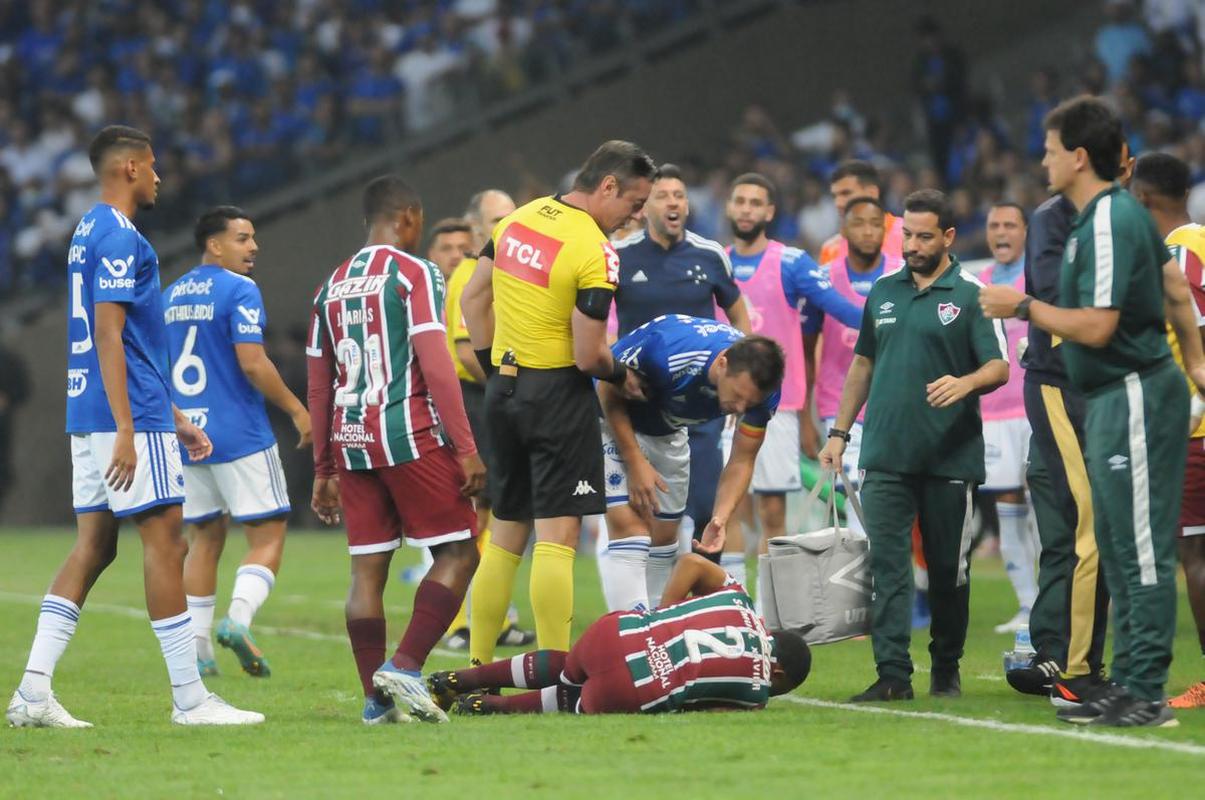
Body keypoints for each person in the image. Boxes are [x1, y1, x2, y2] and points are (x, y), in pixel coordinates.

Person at [7, 126, 263, 727]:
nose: (158, 178)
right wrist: (131, 424)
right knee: (168, 540)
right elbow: (109, 333)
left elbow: (128, 341)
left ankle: (33, 692)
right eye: (151, 167)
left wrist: (172, 417)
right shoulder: (121, 238)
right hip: (124, 414)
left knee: (94, 546)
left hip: (91, 410)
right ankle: (190, 699)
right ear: (128, 168)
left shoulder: (85, 231)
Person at [981, 96, 1205, 728]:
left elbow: (1100, 327)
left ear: (1078, 157)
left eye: (1050, 149)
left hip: (1127, 390)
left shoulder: (1106, 221)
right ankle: (1127, 684)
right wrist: (1194, 364)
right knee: (1116, 540)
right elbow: (1175, 289)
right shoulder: (1100, 219)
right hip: (1114, 394)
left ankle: (1142, 690)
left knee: (1136, 547)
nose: (1043, 160)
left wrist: (1021, 308)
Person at [459, 141, 655, 668]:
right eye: (634, 204)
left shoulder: (518, 221)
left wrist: (494, 364)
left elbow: (472, 301)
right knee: (558, 536)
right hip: (557, 396)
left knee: (504, 535)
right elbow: (589, 355)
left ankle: (479, 665)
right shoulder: (595, 251)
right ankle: (553, 671)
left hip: (503, 391)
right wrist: (623, 372)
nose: (636, 217)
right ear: (608, 186)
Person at [307, 174, 485, 724]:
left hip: (352, 440)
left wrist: (323, 466)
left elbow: (319, 383)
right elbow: (436, 363)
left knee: (367, 572)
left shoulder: (330, 285)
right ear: (407, 216)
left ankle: (374, 702)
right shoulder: (415, 273)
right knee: (460, 553)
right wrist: (466, 447)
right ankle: (404, 668)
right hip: (408, 435)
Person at [820, 189, 1009, 703]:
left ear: (948, 236)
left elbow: (1000, 366)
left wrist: (966, 383)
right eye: (906, 233)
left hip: (949, 454)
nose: (912, 244)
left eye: (924, 235)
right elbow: (863, 363)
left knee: (948, 570)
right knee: (887, 565)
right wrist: (839, 433)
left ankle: (946, 664)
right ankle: (892, 675)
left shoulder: (972, 292)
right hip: (884, 451)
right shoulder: (882, 291)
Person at [165, 206, 312, 679]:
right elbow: (252, 362)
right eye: (243, 238)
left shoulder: (169, 296)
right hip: (238, 433)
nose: (253, 248)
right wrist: (296, 409)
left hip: (187, 433)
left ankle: (199, 648)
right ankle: (238, 620)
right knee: (268, 535)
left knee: (203, 537)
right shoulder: (239, 289)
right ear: (214, 244)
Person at [427, 554, 811, 715]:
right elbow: (707, 708)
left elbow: (691, 562)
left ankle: (459, 679)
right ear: (777, 674)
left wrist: (662, 614)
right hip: (631, 687)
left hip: (614, 631)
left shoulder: (739, 599)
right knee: (578, 697)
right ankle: (486, 707)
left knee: (568, 666)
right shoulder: (757, 696)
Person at [610, 164, 751, 575]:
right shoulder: (619, 257)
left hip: (701, 401)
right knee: (648, 513)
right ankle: (652, 606)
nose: (673, 202)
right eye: (663, 195)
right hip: (641, 401)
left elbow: (737, 310)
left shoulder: (710, 255)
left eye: (680, 195)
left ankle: (707, 598)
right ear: (643, 207)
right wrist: (608, 365)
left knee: (708, 504)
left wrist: (743, 370)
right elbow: (594, 318)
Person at [599, 314, 785, 612]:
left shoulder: (763, 393)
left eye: (748, 404)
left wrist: (720, 517)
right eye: (737, 396)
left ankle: (654, 631)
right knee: (631, 530)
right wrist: (634, 461)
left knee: (664, 538)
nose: (739, 409)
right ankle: (626, 635)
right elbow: (606, 388)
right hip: (609, 419)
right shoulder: (670, 352)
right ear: (722, 364)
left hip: (668, 431)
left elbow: (742, 458)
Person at [725, 173, 862, 552]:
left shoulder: (791, 262)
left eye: (756, 203)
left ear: (769, 211)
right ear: (729, 206)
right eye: (740, 201)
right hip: (720, 405)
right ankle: (735, 605)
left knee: (772, 511)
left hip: (776, 407)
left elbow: (840, 309)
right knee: (724, 510)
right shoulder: (714, 261)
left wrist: (891, 324)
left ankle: (769, 608)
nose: (746, 209)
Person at [429, 207, 535, 651]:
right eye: (496, 217)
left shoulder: (504, 269)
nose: (505, 225)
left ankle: (494, 615)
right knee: (478, 514)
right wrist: (507, 388)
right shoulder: (471, 272)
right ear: (477, 225)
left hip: (486, 399)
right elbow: (466, 349)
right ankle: (456, 621)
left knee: (498, 513)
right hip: (477, 401)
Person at [1128, 151, 1205, 710]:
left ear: (1144, 199)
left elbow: (1191, 331)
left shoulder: (1177, 254)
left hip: (1195, 429)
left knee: (1195, 555)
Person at [802, 197, 903, 524]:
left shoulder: (901, 276)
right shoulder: (822, 279)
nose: (868, 231)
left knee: (891, 497)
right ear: (843, 229)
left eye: (876, 224)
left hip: (891, 401)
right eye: (859, 223)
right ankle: (868, 574)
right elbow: (806, 348)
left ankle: (889, 571)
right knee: (859, 491)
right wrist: (805, 414)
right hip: (837, 403)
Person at [977, 202, 1038, 635]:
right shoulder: (976, 283)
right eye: (995, 226)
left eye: (1010, 225)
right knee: (1007, 505)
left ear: (1025, 232)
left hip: (1036, 407)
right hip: (992, 413)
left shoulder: (1036, 277)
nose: (1002, 232)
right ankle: (1027, 603)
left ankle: (1061, 598)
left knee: (1048, 504)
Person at [817, 160, 905, 267]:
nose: (838, 203)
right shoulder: (831, 249)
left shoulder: (908, 235)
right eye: (835, 196)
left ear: (871, 193)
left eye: (846, 193)